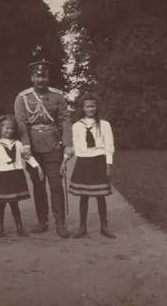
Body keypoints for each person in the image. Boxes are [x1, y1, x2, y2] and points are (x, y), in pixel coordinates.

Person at [13, 60, 73, 238]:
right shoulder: (22, 97)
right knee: (38, 185)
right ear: (32, 77)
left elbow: (65, 120)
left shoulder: (58, 96)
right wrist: (25, 145)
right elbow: (21, 124)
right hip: (32, 147)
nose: (41, 79)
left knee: (55, 185)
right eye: (37, 76)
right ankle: (42, 221)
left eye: (44, 75)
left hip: (53, 145)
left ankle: (60, 223)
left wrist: (68, 144)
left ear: (48, 77)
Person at [66, 93, 116, 238]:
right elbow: (75, 146)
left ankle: (104, 227)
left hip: (98, 161)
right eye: (87, 106)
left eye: (93, 106)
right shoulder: (76, 126)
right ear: (82, 108)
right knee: (84, 196)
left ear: (97, 107)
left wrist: (109, 164)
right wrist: (65, 159)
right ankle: (82, 227)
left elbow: (109, 146)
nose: (90, 109)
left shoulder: (104, 125)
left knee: (101, 196)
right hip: (83, 162)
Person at [0, 115, 43, 237]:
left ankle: (19, 227)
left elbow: (27, 157)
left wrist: (37, 166)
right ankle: (0, 227)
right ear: (0, 128)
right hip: (1, 176)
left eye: (11, 129)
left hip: (15, 175)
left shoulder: (18, 144)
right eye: (6, 128)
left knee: (14, 204)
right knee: (1, 204)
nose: (9, 131)